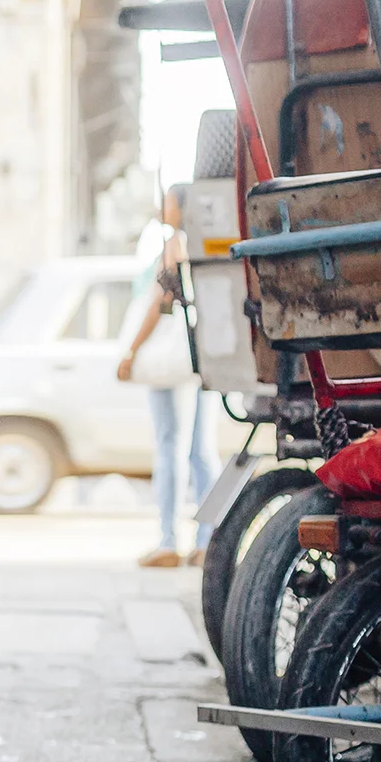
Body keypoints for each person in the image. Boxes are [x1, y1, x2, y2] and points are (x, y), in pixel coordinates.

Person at [116, 186, 216, 568]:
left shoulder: (174, 244)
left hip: (170, 362)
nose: (162, 207)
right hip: (199, 357)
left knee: (170, 447)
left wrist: (131, 351)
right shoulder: (203, 244)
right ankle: (208, 539)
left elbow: (162, 302)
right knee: (200, 451)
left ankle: (168, 540)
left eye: (168, 201)